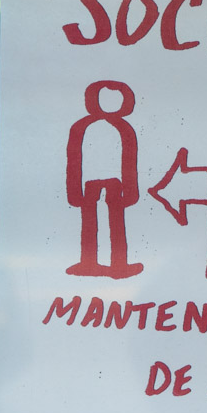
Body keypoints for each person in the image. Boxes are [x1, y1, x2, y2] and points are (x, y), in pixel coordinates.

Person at [65, 79, 144, 278]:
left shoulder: (124, 128)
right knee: (89, 222)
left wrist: (131, 191)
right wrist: (74, 191)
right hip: (89, 183)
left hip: (115, 183)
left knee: (116, 222)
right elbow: (73, 158)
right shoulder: (81, 127)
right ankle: (88, 262)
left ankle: (119, 264)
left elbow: (129, 160)